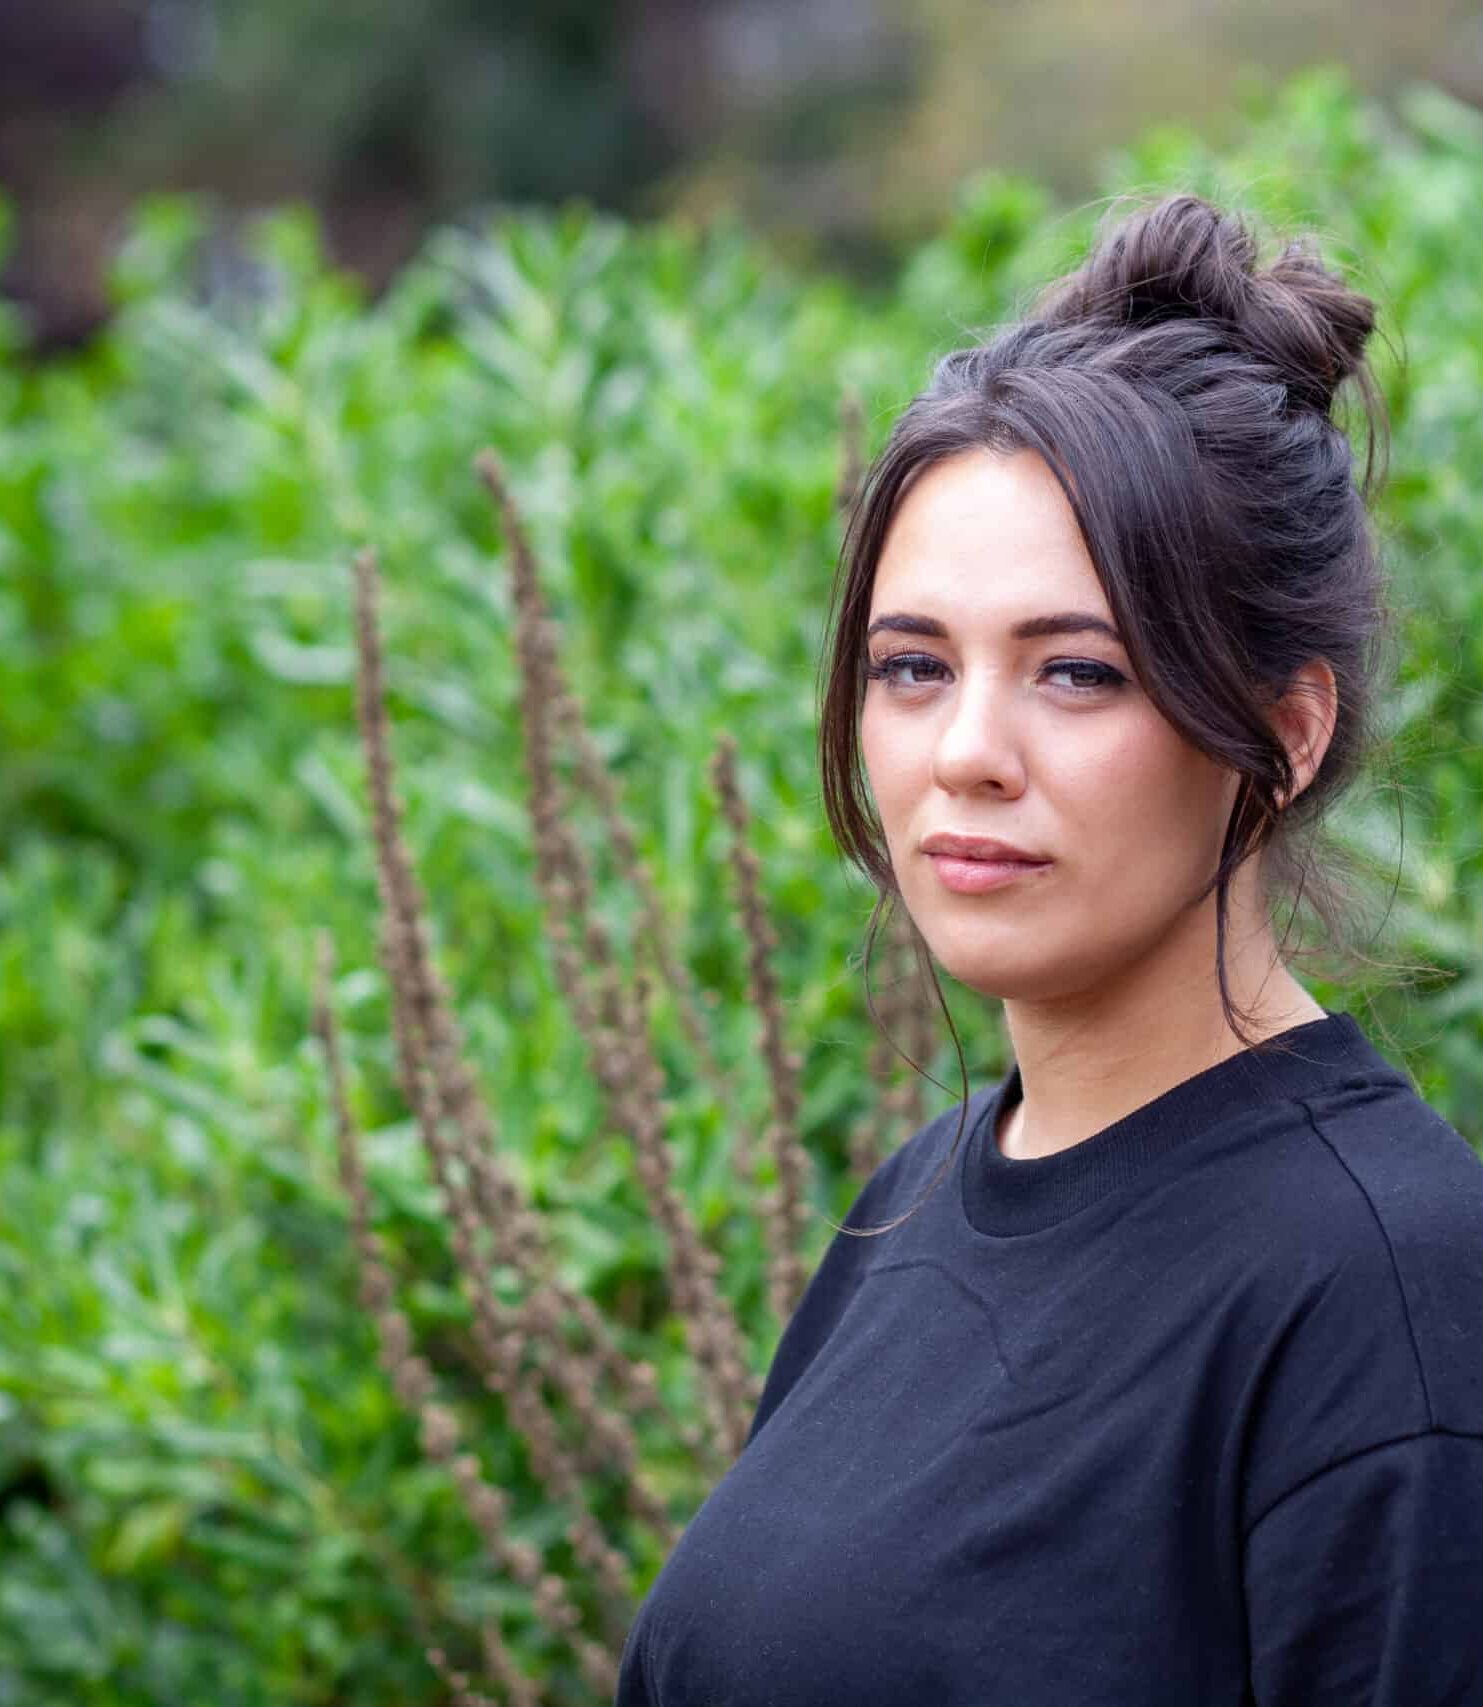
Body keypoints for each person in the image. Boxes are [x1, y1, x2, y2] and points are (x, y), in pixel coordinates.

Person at [614, 192, 1483, 1705]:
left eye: (1076, 672)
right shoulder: (925, 1195)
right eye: (911, 665)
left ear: (1280, 737)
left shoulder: (1392, 1303)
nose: (965, 752)